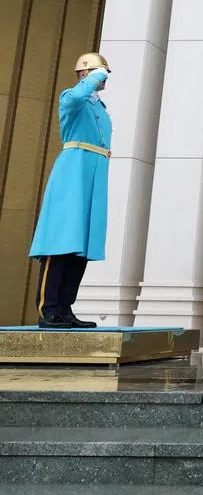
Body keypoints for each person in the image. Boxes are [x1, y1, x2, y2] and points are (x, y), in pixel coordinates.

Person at [28, 52, 113, 329]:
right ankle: (48, 310)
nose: (104, 80)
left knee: (80, 247)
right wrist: (94, 76)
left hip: (93, 176)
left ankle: (65, 309)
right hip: (72, 172)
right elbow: (77, 97)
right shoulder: (71, 99)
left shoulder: (100, 107)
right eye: (100, 75)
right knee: (61, 241)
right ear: (85, 74)